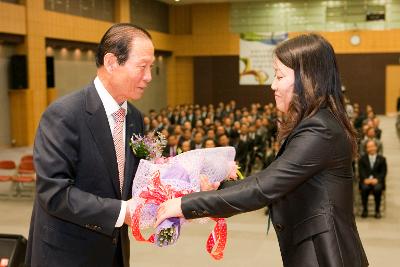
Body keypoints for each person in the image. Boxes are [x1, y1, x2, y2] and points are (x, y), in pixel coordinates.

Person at [156, 34, 368, 266]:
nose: (273, 85)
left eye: (279, 76)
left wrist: (186, 204)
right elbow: (270, 178)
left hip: (326, 254)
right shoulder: (317, 122)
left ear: (308, 79)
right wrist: (219, 187)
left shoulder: (320, 129)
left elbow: (265, 187)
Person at [25, 23, 155, 267]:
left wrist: (184, 186)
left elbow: (137, 182)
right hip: (66, 255)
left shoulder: (135, 118)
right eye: (142, 66)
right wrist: (120, 212)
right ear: (111, 62)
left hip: (114, 254)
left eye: (151, 67)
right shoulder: (64, 115)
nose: (148, 76)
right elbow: (54, 193)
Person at [358, 140, 387, 219]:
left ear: (376, 147)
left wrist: (377, 180)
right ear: (366, 149)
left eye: (372, 146)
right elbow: (361, 171)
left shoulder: (382, 159)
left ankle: (377, 211)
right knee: (364, 188)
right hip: (365, 181)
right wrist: (365, 179)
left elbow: (383, 172)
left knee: (377, 189)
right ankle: (365, 210)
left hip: (377, 181)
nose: (371, 148)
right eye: (369, 147)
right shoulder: (362, 159)